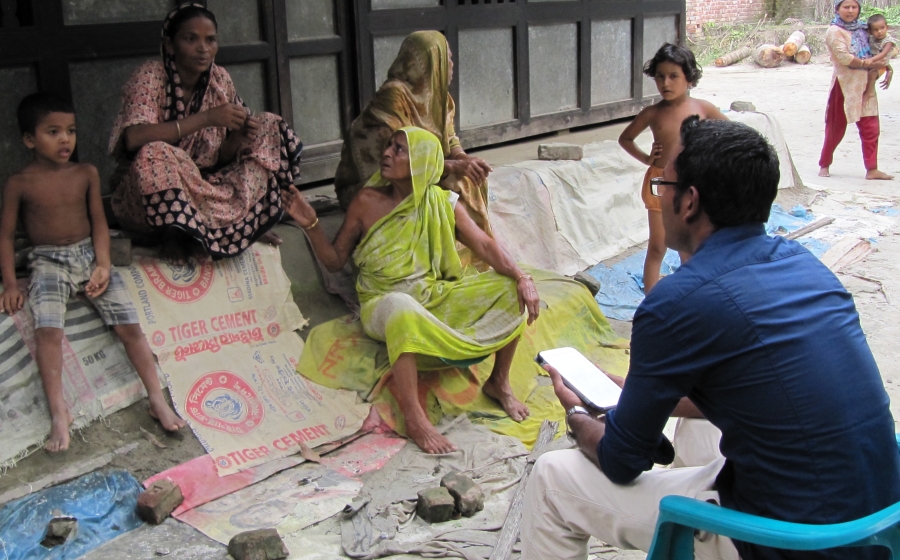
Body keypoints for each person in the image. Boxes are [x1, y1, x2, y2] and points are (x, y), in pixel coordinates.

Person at [522, 116, 900, 560]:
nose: (659, 198)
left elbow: (622, 461)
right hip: (877, 524)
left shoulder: (675, 302)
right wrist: (631, 392)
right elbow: (763, 389)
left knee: (552, 476)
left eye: (663, 186)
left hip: (794, 544)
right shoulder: (805, 266)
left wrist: (578, 415)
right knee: (695, 432)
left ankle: (705, 536)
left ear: (689, 202)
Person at [283, 126, 540, 454]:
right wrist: (311, 224)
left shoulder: (443, 203)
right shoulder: (366, 201)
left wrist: (521, 277)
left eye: (399, 149)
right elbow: (334, 261)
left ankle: (498, 382)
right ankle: (415, 418)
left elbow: (486, 246)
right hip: (383, 304)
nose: (387, 153)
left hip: (433, 297)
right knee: (401, 306)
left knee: (509, 288)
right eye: (389, 145)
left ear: (422, 161)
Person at [0, 93, 185, 452]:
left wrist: (102, 264)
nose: (65, 139)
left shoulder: (85, 173)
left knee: (130, 328)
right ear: (29, 140)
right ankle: (59, 413)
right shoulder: (20, 183)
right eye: (53, 132)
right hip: (47, 260)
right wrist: (10, 283)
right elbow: (6, 236)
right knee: (48, 331)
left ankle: (156, 397)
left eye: (70, 131)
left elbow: (100, 223)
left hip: (88, 253)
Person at [108, 2, 302, 262]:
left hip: (205, 187)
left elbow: (220, 158)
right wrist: (207, 118)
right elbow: (134, 138)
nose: (203, 48)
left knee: (269, 125)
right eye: (190, 39)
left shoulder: (219, 79)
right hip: (148, 199)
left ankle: (245, 222)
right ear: (170, 45)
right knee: (155, 152)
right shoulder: (150, 76)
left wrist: (239, 137)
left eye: (210, 40)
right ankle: (175, 234)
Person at [333, 31, 493, 239]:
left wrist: (464, 159)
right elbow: (400, 155)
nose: (451, 65)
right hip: (378, 179)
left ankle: (463, 250)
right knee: (446, 189)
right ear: (428, 63)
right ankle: (436, 250)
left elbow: (450, 139)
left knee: (470, 179)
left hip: (419, 171)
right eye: (446, 58)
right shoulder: (394, 96)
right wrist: (452, 166)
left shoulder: (438, 98)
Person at [618, 43, 726, 294]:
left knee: (689, 245)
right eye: (660, 76)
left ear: (689, 78)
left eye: (673, 76)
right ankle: (651, 301)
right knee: (658, 246)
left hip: (691, 185)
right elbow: (626, 138)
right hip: (660, 184)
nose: (665, 83)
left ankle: (692, 296)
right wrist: (647, 159)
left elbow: (731, 133)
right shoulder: (652, 113)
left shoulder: (703, 108)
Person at [819, 0, 896, 180]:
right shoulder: (834, 31)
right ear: (837, 9)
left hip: (866, 84)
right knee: (835, 127)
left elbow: (879, 48)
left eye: (854, 7)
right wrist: (869, 64)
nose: (850, 11)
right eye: (846, 7)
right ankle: (825, 163)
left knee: (871, 128)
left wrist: (887, 68)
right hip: (844, 85)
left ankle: (872, 169)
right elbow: (844, 58)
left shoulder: (864, 29)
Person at [863, 14, 896, 105]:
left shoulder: (888, 41)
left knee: (872, 74)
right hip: (875, 61)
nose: (880, 31)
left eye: (882, 28)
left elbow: (883, 54)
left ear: (887, 27)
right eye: (876, 30)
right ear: (870, 31)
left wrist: (871, 60)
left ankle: (867, 94)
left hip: (882, 63)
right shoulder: (872, 37)